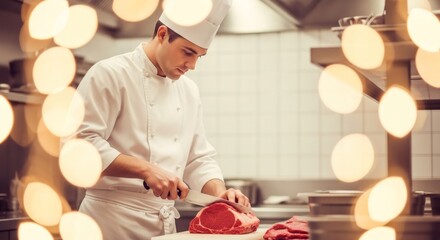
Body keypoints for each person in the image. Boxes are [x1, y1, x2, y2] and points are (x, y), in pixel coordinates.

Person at [64, 0, 251, 239]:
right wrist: (146, 170)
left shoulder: (189, 91)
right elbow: (79, 147)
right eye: (188, 52)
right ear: (162, 34)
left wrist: (220, 195)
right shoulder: (110, 74)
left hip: (163, 227)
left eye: (200, 56)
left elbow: (198, 158)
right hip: (108, 224)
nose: (192, 65)